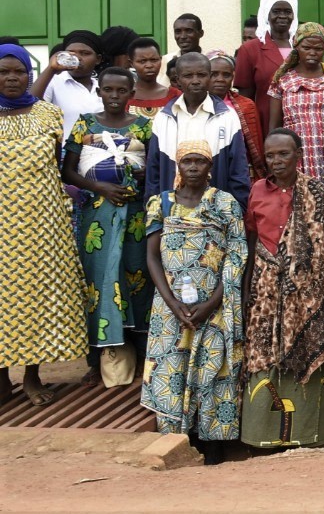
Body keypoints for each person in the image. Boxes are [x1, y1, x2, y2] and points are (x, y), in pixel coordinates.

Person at [140, 140, 246, 463]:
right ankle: (176, 446)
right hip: (170, 309)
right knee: (172, 372)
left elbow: (237, 253)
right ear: (178, 166)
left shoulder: (224, 203)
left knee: (212, 372)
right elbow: (152, 256)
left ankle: (214, 449)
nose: (194, 167)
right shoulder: (161, 204)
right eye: (188, 161)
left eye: (200, 161)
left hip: (214, 307)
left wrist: (213, 302)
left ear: (210, 167)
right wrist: (172, 304)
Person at [241, 128, 324, 449]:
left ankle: (308, 435)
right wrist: (249, 291)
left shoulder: (316, 190)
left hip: (308, 299)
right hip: (266, 294)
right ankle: (262, 437)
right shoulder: (257, 191)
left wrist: (323, 291)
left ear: (298, 154)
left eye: (283, 154)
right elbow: (252, 241)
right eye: (270, 155)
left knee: (309, 356)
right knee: (262, 355)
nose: (276, 161)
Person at [0, 45, 88, 407]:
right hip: (2, 221)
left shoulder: (49, 114)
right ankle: (2, 377)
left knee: (36, 295)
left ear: (28, 73)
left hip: (41, 221)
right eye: (3, 72)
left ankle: (32, 374)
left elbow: (54, 164)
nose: (10, 78)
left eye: (17, 72)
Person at [63, 67, 153, 377]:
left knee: (136, 274)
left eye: (121, 90)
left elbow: (154, 169)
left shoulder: (145, 127)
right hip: (96, 216)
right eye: (108, 90)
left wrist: (142, 175)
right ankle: (96, 358)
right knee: (98, 280)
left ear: (131, 94)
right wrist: (100, 187)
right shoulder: (85, 124)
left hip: (134, 215)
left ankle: (141, 356)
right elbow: (68, 170)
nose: (114, 96)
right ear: (99, 91)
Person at [146, 52, 252, 208]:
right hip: (172, 211)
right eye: (188, 76)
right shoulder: (164, 117)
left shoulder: (227, 117)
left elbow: (238, 170)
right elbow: (154, 172)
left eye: (201, 75)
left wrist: (237, 210)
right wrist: (153, 213)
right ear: (177, 80)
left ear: (209, 77)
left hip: (216, 213)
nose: (195, 81)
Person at [267, 22, 324, 179]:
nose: (312, 53)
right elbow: (274, 126)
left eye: (318, 49)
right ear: (296, 47)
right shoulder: (282, 81)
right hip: (294, 154)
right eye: (306, 48)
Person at [234, 0, 297, 134]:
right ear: (266, 14)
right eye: (276, 11)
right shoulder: (250, 49)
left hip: (300, 125)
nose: (282, 16)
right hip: (264, 126)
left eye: (288, 11)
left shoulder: (303, 46)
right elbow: (245, 99)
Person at [208, 53, 266, 182]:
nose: (220, 79)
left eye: (226, 75)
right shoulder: (197, 105)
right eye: (214, 74)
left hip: (240, 170)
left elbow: (256, 147)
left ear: (233, 77)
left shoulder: (246, 106)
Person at [33, 29, 103, 136]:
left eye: (85, 53)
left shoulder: (103, 86)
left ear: (98, 59)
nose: (77, 58)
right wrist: (50, 69)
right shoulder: (54, 82)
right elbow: (31, 104)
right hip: (64, 150)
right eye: (71, 53)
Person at [128, 37, 180, 113]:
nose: (149, 65)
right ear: (131, 64)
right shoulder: (124, 96)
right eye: (142, 61)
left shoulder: (175, 96)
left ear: (161, 59)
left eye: (154, 60)